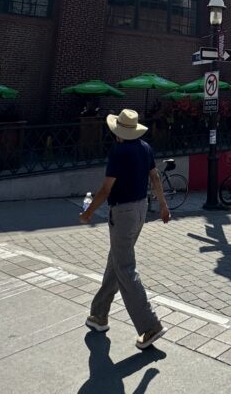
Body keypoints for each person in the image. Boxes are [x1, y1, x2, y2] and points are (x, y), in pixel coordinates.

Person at [80, 109, 170, 350]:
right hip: (142, 209)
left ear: (118, 131)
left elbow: (106, 189)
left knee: (125, 267)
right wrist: (163, 206)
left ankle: (150, 326)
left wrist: (88, 213)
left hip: (123, 213)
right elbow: (155, 178)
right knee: (117, 262)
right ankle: (99, 315)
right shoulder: (145, 148)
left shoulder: (118, 152)